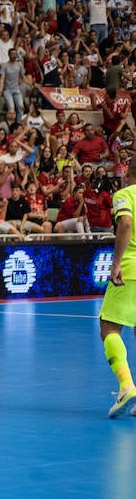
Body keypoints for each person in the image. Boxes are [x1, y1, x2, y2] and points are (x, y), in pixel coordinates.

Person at [100, 159, 136, 418]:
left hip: (131, 268)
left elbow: (125, 224)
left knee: (109, 327)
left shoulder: (124, 194)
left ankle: (126, 386)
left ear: (128, 172)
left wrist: (115, 264)